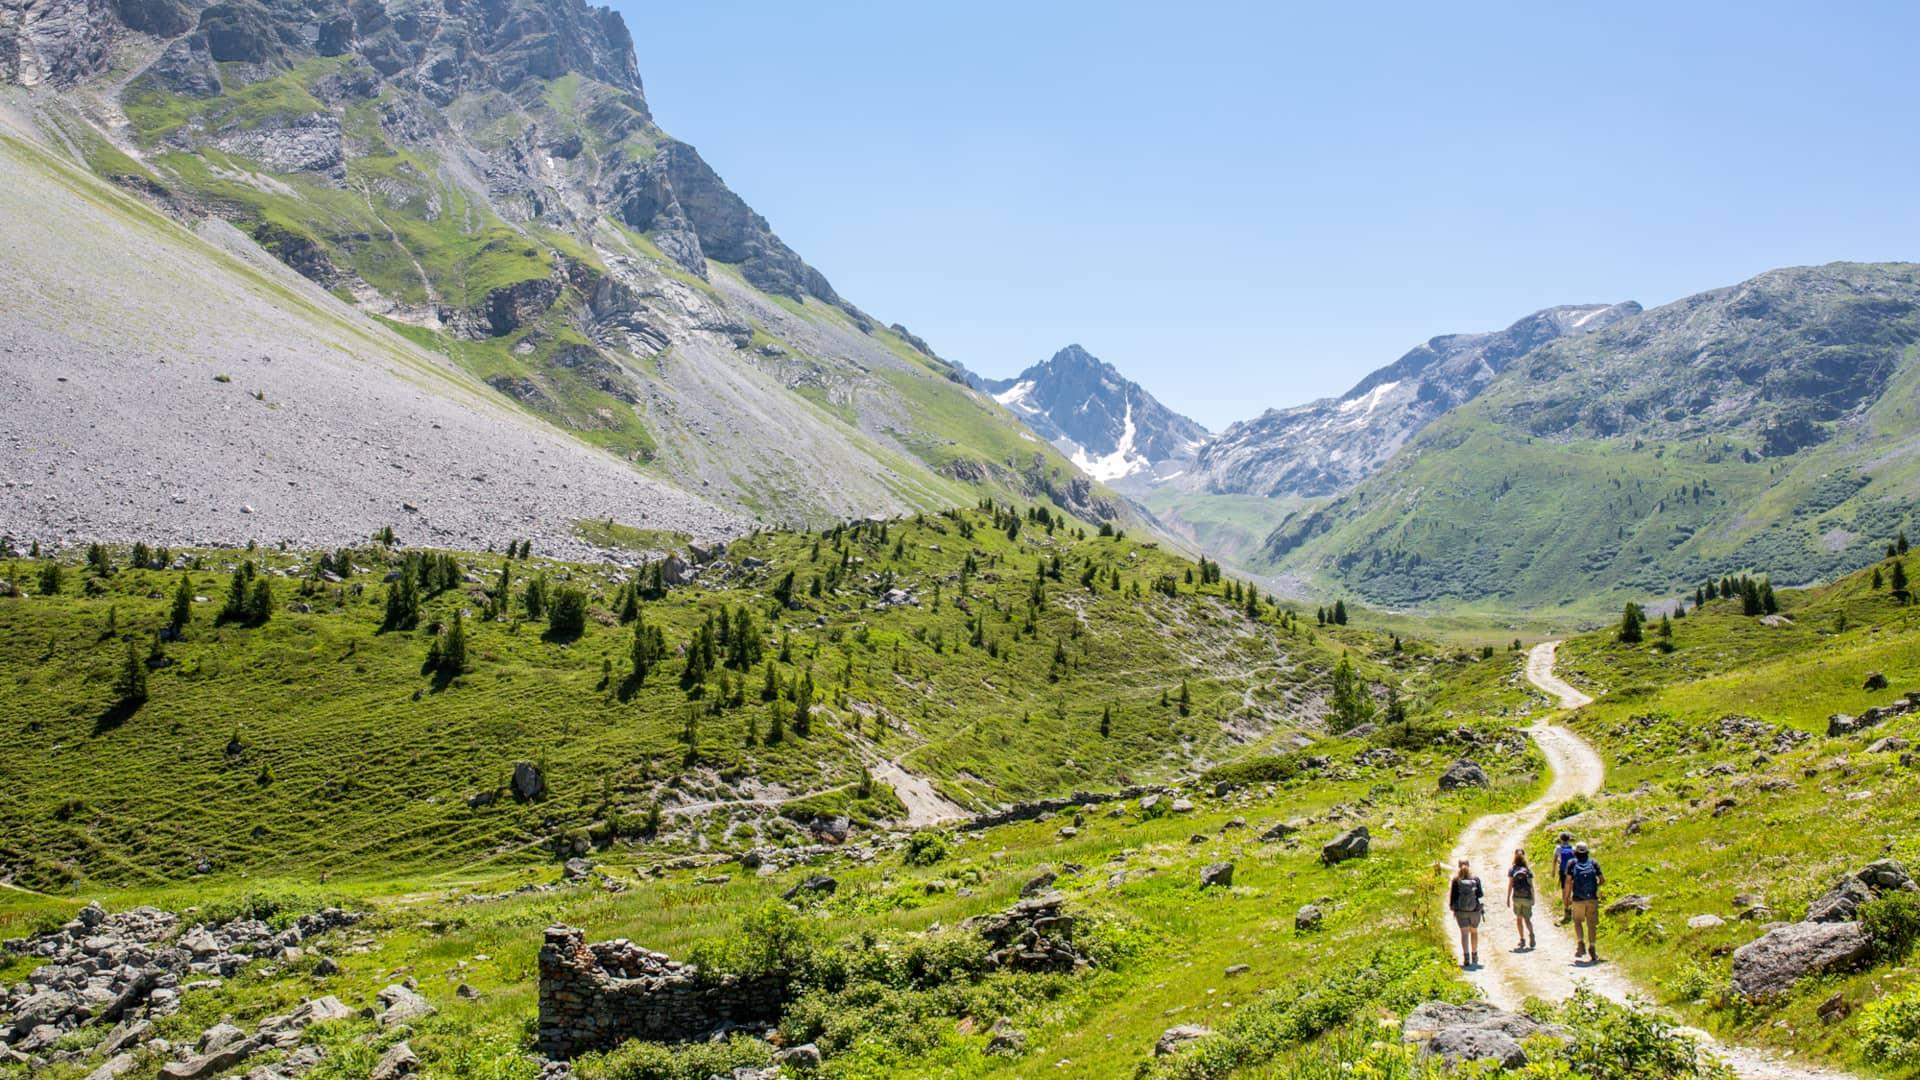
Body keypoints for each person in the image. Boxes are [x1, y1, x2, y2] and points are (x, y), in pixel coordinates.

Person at [1566, 842, 1605, 962]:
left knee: (1577, 921)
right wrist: (1595, 888)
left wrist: (1567, 896)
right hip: (1592, 898)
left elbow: (1568, 881)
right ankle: (1592, 947)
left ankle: (1580, 942)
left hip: (1578, 898)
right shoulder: (1593, 863)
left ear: (1575, 852)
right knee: (1591, 924)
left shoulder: (1572, 863)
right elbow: (1602, 880)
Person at [1449, 859, 1486, 968]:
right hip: (1474, 910)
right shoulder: (1475, 879)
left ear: (1458, 866)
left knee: (1464, 933)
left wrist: (1453, 907)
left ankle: (1466, 957)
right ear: (1469, 866)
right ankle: (1474, 955)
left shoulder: (1456, 880)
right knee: (1474, 932)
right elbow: (1480, 895)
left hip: (1461, 911)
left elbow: (1453, 897)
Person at [1507, 848, 1538, 950]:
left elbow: (1510, 885)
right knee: (1527, 919)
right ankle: (1531, 934)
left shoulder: (1512, 870)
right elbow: (1531, 886)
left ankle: (1522, 939)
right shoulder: (1528, 870)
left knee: (1519, 918)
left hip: (1517, 897)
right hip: (1527, 897)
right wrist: (1533, 898)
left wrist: (1508, 897)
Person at [1553, 831, 1577, 922]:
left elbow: (1554, 861)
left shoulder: (1558, 848)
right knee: (1572, 889)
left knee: (1564, 892)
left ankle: (1566, 911)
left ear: (1560, 839)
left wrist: (1553, 871)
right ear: (1569, 839)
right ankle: (1573, 907)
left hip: (1563, 872)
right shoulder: (1573, 848)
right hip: (1573, 872)